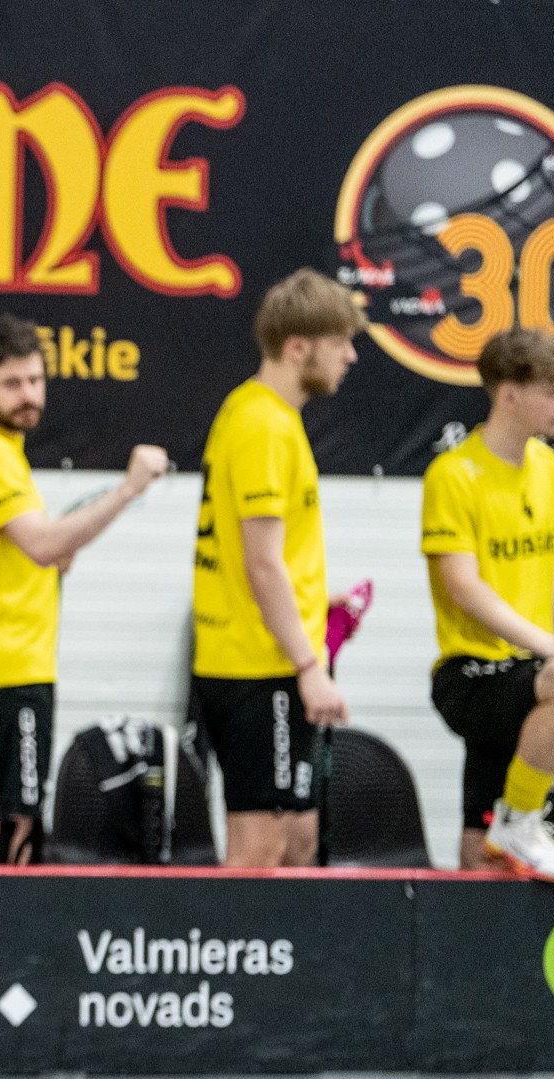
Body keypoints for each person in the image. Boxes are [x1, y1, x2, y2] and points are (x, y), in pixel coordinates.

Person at [0, 315, 167, 865]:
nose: (29, 395)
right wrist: (128, 489)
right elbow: (42, 544)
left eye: (35, 380)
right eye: (12, 383)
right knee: (9, 838)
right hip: (6, 672)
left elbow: (0, 552)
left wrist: (50, 557)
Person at [190, 269, 362, 868]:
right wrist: (309, 666)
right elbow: (262, 564)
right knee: (262, 848)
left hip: (270, 659)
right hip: (257, 668)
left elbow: (268, 557)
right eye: (339, 342)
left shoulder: (265, 415)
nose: (350, 356)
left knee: (298, 841)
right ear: (297, 347)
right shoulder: (262, 424)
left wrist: (316, 602)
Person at [421, 328, 554, 875]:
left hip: (529, 671)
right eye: (550, 392)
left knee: (481, 845)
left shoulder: (548, 468)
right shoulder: (454, 474)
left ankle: (508, 827)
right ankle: (519, 819)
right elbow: (464, 586)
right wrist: (549, 646)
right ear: (510, 394)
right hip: (471, 671)